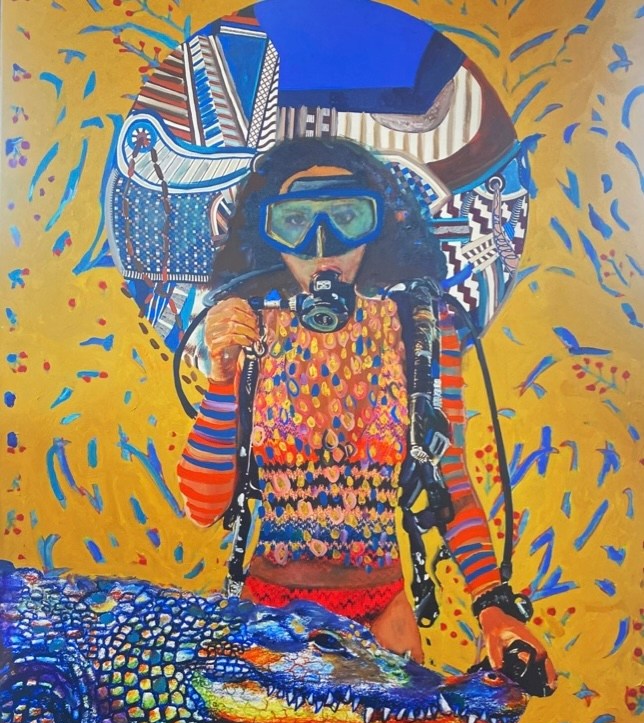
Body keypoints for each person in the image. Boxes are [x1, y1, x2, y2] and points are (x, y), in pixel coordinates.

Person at [177, 137, 556, 688]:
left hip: (386, 620)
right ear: (267, 234)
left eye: (347, 217)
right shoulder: (249, 329)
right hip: (270, 620)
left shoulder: (423, 329)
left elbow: (449, 482)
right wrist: (221, 377)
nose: (322, 245)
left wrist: (492, 606)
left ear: (380, 225)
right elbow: (203, 505)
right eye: (295, 222)